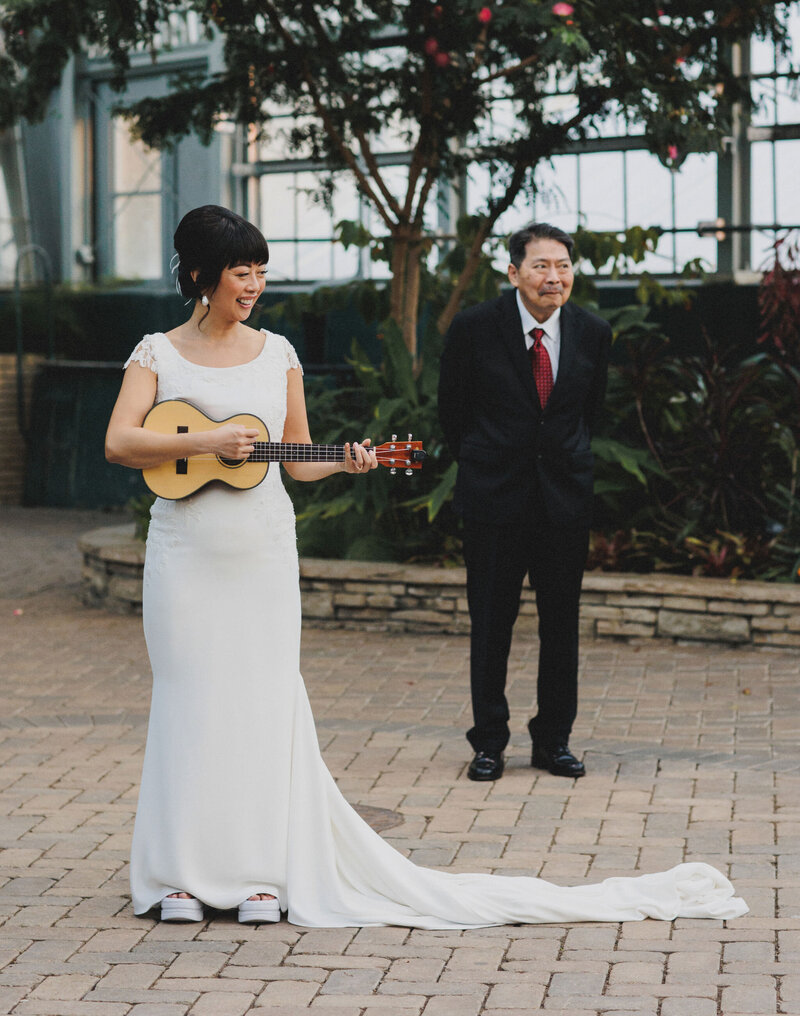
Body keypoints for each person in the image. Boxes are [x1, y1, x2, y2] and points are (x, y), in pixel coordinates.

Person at [105, 204, 746, 928]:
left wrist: (350, 461)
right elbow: (122, 442)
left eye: (259, 274)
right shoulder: (157, 352)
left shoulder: (277, 353)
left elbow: (299, 460)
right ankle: (180, 874)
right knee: (190, 701)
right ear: (199, 274)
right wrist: (211, 441)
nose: (252, 287)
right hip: (184, 556)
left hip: (260, 553)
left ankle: (259, 871)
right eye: (238, 274)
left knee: (261, 701)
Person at [438, 222, 611, 784]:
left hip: (563, 502)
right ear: (513, 273)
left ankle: (553, 742)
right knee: (491, 626)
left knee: (561, 626)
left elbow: (591, 413)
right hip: (493, 500)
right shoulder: (473, 330)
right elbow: (452, 413)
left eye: (562, 265)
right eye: (540, 266)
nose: (552, 277)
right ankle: (489, 742)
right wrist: (485, 459)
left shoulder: (593, 332)